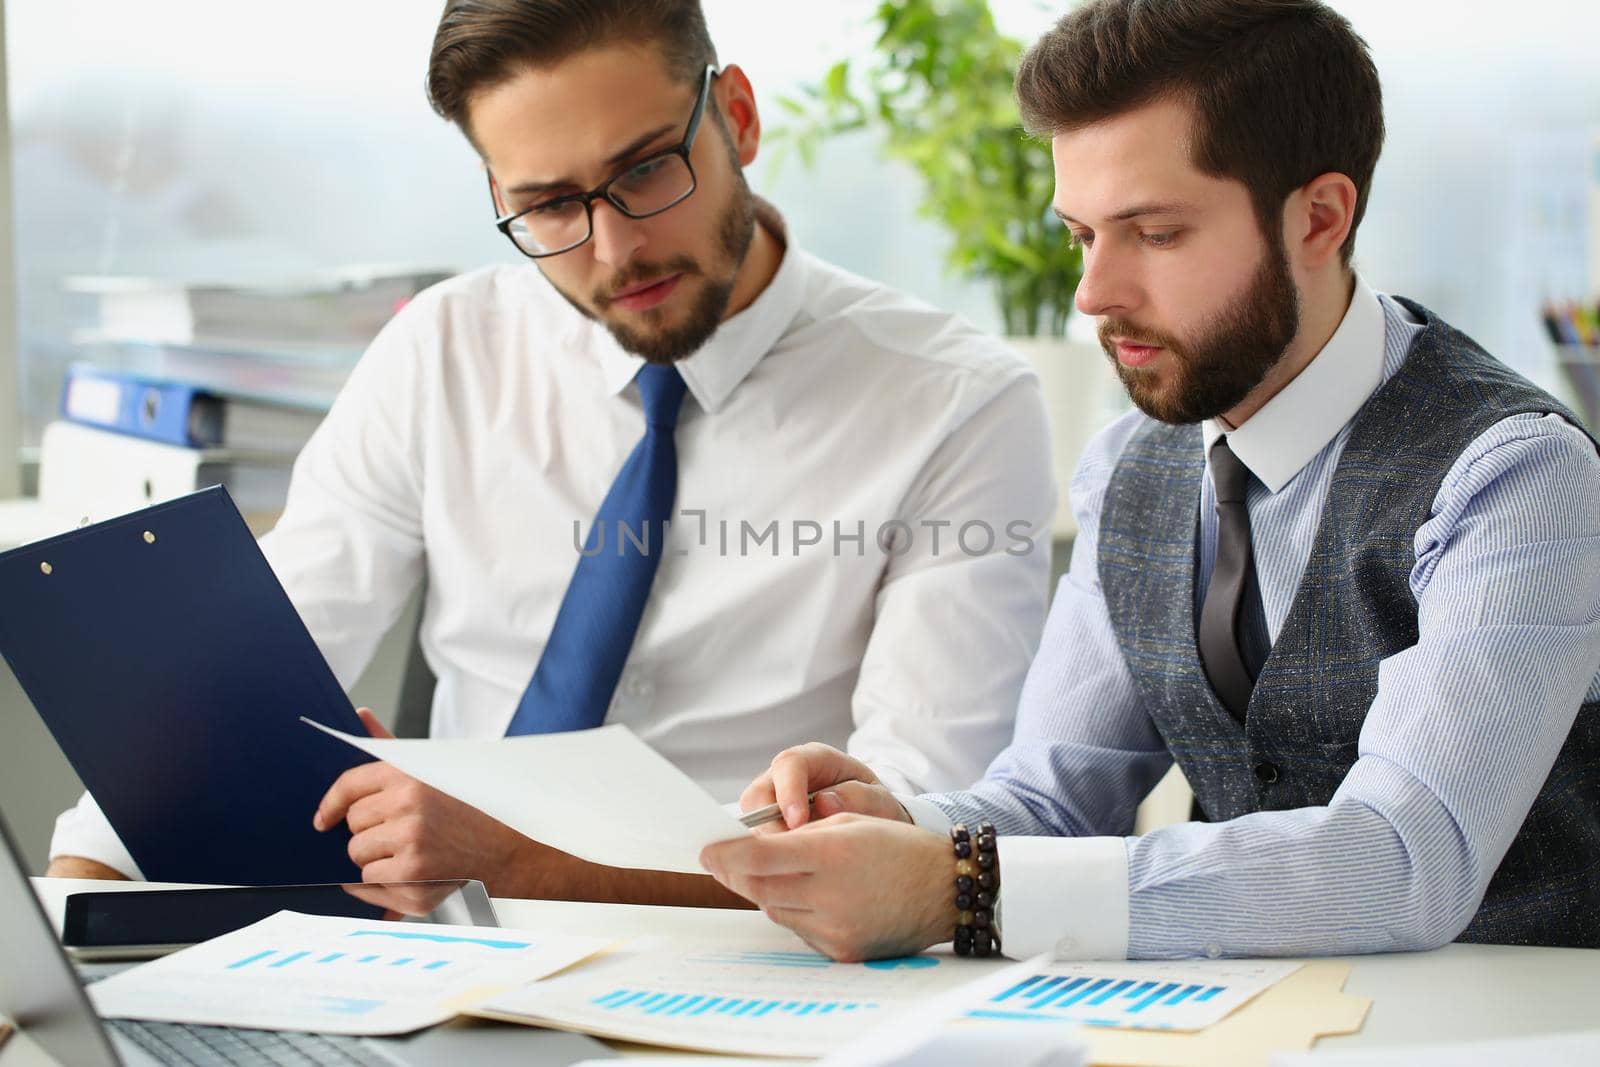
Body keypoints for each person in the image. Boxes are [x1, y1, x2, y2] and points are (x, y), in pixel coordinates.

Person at [46, 0, 1057, 904]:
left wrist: (519, 863)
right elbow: (242, 675)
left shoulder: (956, 401)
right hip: (446, 943)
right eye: (548, 205)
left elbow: (912, 828)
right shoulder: (441, 350)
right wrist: (75, 905)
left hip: (767, 964)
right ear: (499, 191)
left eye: (646, 169)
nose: (614, 249)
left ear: (738, 115)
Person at [702, 0, 1600, 958]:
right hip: (1233, 1027)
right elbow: (1050, 798)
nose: (1093, 292)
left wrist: (959, 887)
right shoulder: (1129, 465)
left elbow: (1406, 860)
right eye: (1083, 234)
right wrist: (903, 827)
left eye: (1156, 234)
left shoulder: (1517, 473)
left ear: (1320, 217)